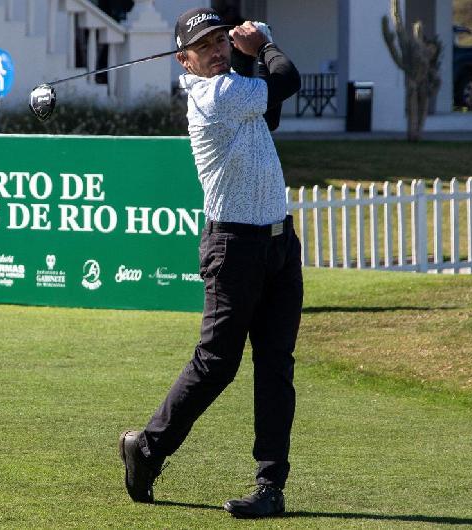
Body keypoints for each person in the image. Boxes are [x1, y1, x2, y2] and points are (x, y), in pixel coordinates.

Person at [119, 6, 302, 519]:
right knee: (217, 363)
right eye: (206, 46)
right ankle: (148, 448)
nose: (218, 50)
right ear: (185, 60)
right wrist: (262, 41)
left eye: (222, 40)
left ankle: (270, 486)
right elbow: (287, 79)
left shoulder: (236, 90)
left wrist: (252, 57)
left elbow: (272, 110)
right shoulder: (212, 95)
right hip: (234, 247)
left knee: (275, 367)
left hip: (279, 243)